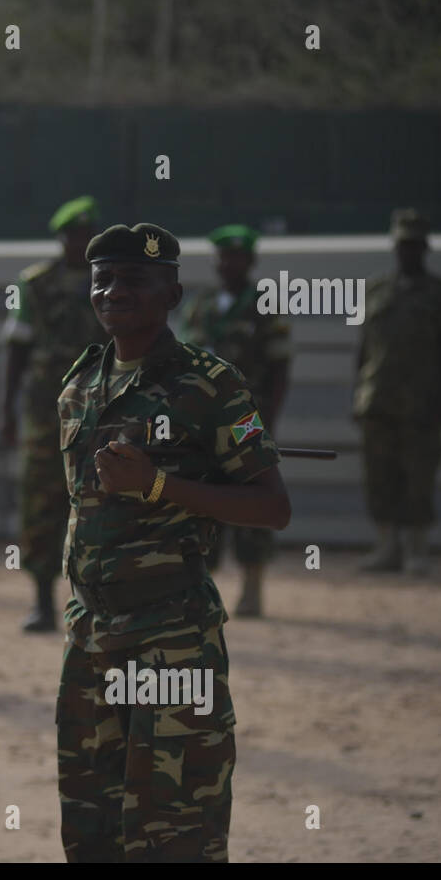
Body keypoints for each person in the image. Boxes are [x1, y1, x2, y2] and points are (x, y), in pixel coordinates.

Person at [55, 223, 291, 862]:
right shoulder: (80, 384)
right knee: (91, 833)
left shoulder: (213, 385)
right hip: (91, 638)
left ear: (174, 293)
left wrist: (160, 483)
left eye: (134, 279)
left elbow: (272, 507)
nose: (112, 291)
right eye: (103, 279)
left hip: (172, 640)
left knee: (173, 836)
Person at [0, 196, 106, 632]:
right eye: (73, 235)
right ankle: (43, 601)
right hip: (47, 415)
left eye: (87, 234)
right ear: (61, 238)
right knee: (41, 504)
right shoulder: (36, 284)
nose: (79, 242)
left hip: (102, 413)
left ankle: (94, 600)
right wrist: (4, 410)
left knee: (100, 505)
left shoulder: (112, 281)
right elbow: (16, 349)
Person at [179, 224, 292, 615]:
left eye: (237, 257)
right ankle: (203, 583)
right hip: (203, 422)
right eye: (223, 257)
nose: (229, 264)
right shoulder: (201, 305)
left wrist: (268, 423)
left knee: (250, 495)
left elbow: (280, 367)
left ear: (250, 261)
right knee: (204, 496)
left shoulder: (264, 304)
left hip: (248, 419)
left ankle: (252, 584)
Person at [353, 209, 441, 576]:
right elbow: (363, 348)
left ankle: (416, 550)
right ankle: (387, 547)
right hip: (378, 398)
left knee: (420, 475)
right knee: (378, 475)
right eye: (403, 245)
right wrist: (358, 394)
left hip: (422, 401)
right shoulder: (374, 290)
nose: (408, 252)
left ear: (425, 248)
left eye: (415, 245)